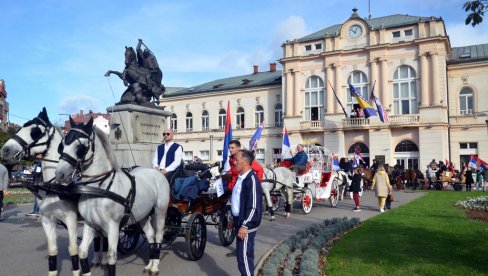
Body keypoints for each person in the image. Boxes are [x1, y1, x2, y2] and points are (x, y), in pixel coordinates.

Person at [230, 150, 262, 276]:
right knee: (242, 257)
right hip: (240, 221)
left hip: (246, 225)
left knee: (244, 258)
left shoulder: (251, 180)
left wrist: (245, 225)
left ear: (246, 162)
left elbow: (253, 206)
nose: (234, 162)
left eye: (237, 159)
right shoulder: (241, 178)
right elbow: (238, 200)